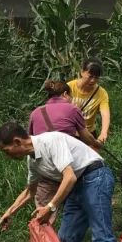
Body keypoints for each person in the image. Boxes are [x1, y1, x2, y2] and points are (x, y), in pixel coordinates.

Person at [0, 123, 116, 242]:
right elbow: (30, 191)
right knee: (67, 237)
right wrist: (10, 212)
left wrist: (50, 206)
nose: (7, 156)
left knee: (102, 236)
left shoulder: (51, 141)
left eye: (6, 151)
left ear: (17, 142)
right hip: (77, 186)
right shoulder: (33, 161)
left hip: (95, 177)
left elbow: (69, 177)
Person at [28, 79, 103, 216]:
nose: (71, 100)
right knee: (74, 200)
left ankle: (43, 234)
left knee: (43, 212)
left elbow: (32, 140)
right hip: (66, 164)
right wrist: (96, 143)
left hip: (45, 166)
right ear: (65, 94)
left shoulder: (35, 113)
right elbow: (86, 136)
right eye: (70, 97)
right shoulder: (72, 109)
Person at [68, 59, 111, 145]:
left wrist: (103, 133)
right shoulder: (69, 87)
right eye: (90, 76)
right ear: (82, 72)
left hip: (88, 134)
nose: (93, 81)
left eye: (96, 78)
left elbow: (105, 114)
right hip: (70, 133)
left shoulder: (101, 93)